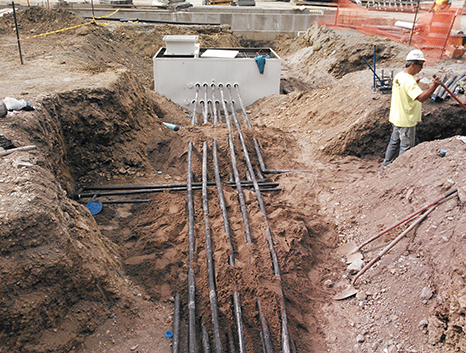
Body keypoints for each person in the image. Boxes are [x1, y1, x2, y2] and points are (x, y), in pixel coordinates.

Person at [381, 49, 441, 170]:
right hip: (407, 120)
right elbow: (421, 98)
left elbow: (405, 89)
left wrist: (415, 82)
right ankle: (400, 172)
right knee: (406, 148)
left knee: (394, 143)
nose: (421, 68)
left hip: (397, 117)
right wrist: (434, 86)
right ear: (413, 64)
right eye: (420, 64)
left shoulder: (400, 76)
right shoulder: (409, 82)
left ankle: (385, 167)